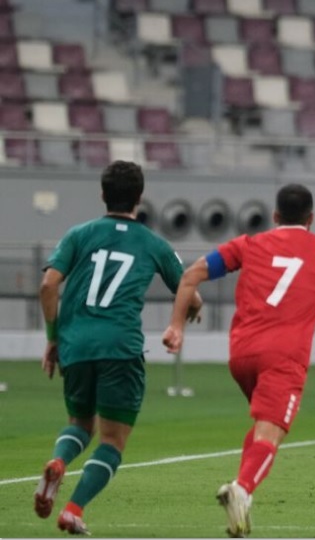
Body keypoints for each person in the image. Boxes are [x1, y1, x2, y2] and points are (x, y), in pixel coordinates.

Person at [162, 183, 315, 538]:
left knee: (263, 425)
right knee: (272, 431)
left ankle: (243, 501)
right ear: (311, 218)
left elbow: (191, 275)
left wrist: (177, 327)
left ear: (275, 216)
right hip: (284, 356)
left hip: (240, 354)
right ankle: (242, 489)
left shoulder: (249, 244)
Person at [34, 161, 202, 535]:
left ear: (102, 194)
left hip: (76, 343)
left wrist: (53, 336)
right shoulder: (154, 243)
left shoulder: (79, 234)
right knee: (112, 440)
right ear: (139, 199)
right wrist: (192, 311)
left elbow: (48, 286)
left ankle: (59, 462)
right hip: (121, 347)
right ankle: (73, 509)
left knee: (79, 423)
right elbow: (190, 291)